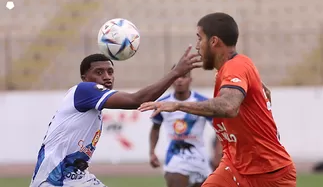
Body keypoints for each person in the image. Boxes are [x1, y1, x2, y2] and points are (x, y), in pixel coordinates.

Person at [138, 12, 296, 187]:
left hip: (268, 173)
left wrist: (178, 105)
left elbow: (229, 106)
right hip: (234, 166)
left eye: (200, 39)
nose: (197, 46)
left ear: (213, 41)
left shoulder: (235, 67)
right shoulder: (235, 66)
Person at [30, 48, 201, 187]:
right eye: (99, 72)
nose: (106, 76)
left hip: (75, 177)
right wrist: (175, 73)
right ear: (85, 78)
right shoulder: (84, 90)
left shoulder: (91, 105)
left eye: (110, 72)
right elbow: (137, 100)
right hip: (54, 178)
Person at [149, 69, 213, 187]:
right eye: (176, 77)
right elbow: (155, 128)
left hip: (199, 157)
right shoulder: (162, 103)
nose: (179, 80)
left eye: (183, 76)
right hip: (175, 156)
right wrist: (152, 151)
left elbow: (219, 127)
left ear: (190, 80)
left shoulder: (202, 102)